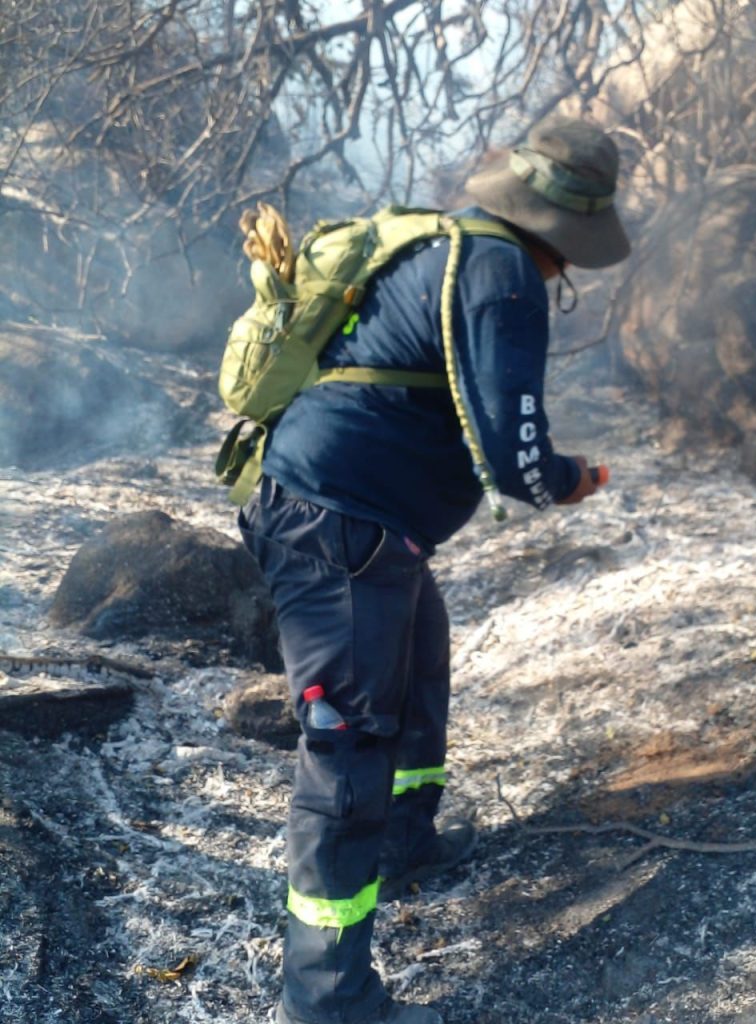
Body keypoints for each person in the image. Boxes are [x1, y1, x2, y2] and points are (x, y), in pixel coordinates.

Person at [238, 113, 631, 1024]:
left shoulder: (450, 245)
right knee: (346, 748)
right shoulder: (503, 276)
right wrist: (573, 478)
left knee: (419, 669)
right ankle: (328, 1000)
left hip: (364, 526)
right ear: (567, 234)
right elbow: (514, 458)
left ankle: (403, 845)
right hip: (339, 527)